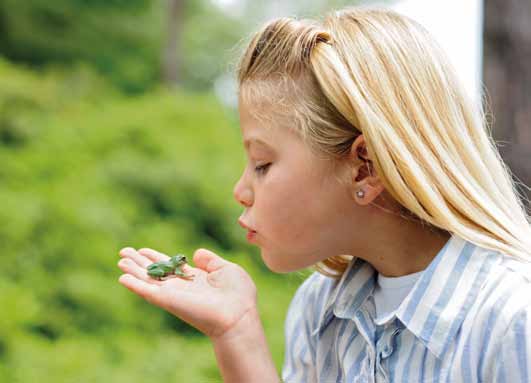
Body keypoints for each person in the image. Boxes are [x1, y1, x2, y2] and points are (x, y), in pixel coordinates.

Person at [116, 5, 531, 382]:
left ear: (365, 167)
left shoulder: (513, 322)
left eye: (262, 164)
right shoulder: (319, 310)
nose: (240, 190)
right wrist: (235, 333)